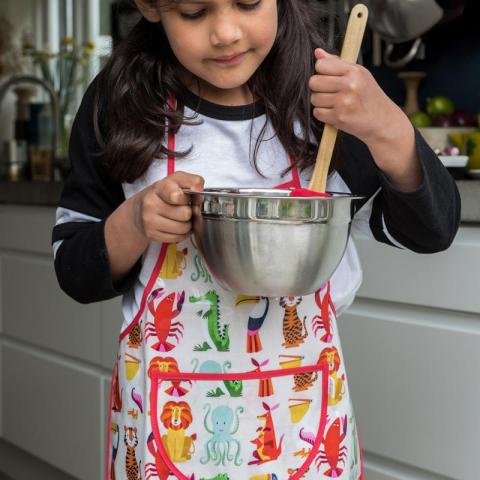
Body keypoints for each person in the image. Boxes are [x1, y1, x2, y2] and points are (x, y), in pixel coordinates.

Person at [52, 1, 460, 479]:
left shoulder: (325, 101)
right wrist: (134, 223)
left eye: (248, 3)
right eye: (193, 11)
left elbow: (431, 231)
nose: (225, 32)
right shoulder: (120, 101)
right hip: (168, 427)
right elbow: (74, 269)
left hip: (302, 423)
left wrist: (389, 128)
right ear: (150, 6)